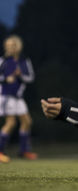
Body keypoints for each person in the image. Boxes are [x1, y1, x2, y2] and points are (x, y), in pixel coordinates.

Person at [0, 35, 37, 163]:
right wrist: (5, 79)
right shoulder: (3, 60)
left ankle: (23, 151)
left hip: (18, 97)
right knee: (11, 123)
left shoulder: (24, 60)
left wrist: (21, 76)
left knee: (27, 121)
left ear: (18, 47)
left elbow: (31, 77)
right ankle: (0, 151)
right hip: (5, 96)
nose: (11, 48)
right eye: (9, 45)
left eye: (13, 45)